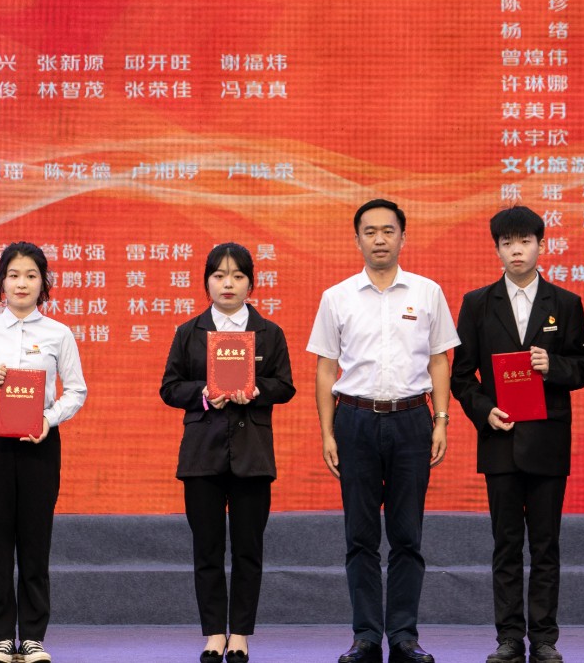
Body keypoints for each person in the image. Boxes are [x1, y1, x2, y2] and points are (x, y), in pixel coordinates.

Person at [307, 199, 460, 663]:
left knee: (407, 535)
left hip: (413, 420)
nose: (379, 239)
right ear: (357, 239)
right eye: (370, 231)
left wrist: (441, 420)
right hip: (354, 420)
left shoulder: (427, 292)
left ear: (402, 237)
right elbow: (325, 368)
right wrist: (328, 432)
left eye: (388, 231)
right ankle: (366, 636)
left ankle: (405, 636)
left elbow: (440, 360)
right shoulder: (337, 297)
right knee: (360, 536)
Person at [451, 206, 584, 663]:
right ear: (497, 248)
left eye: (525, 241)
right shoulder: (477, 303)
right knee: (507, 545)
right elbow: (461, 376)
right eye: (507, 242)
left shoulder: (565, 303)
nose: (517, 250)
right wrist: (484, 412)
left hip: (548, 440)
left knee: (546, 545)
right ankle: (509, 637)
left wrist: (554, 367)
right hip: (501, 439)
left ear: (541, 245)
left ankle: (545, 638)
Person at [160, 242, 297, 663]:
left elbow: (285, 386)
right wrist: (204, 393)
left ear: (251, 284)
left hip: (252, 455)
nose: (228, 284)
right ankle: (213, 634)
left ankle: (239, 634)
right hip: (202, 455)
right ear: (206, 282)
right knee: (207, 550)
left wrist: (256, 390)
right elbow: (169, 388)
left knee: (248, 550)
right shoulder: (189, 332)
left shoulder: (269, 332)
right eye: (219, 275)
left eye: (238, 276)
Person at [0, 242, 88, 663]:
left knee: (35, 539)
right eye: (14, 275)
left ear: (43, 283)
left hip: (40, 439)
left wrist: (49, 419)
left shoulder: (59, 334)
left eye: (31, 275)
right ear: (1, 282)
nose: (22, 283)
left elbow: (76, 390)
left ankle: (32, 636)